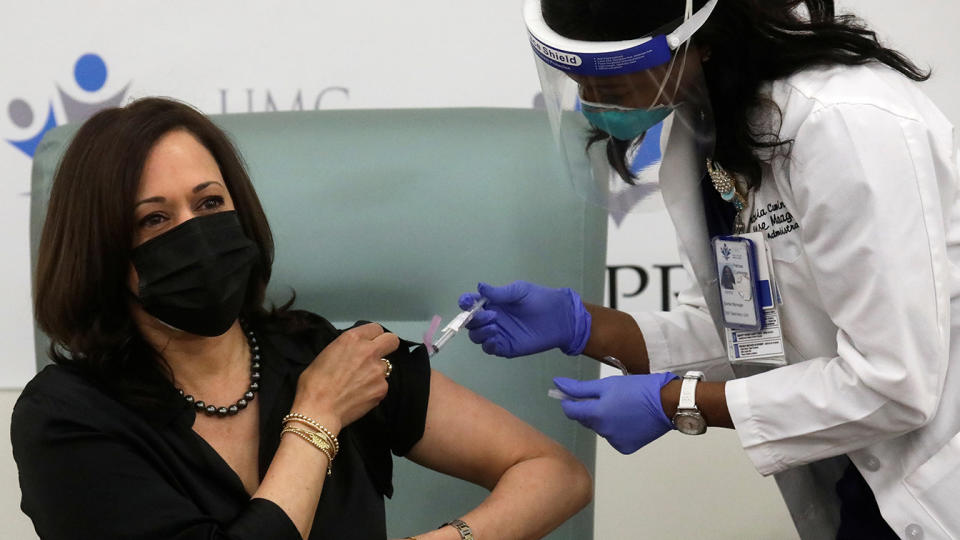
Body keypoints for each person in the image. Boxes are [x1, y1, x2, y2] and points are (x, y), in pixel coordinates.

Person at [459, 0, 960, 538]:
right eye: (576, 77)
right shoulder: (707, 129)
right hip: (862, 485)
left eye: (611, 74)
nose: (591, 100)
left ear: (702, 34)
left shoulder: (844, 123)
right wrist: (585, 326)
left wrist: (678, 403)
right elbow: (753, 334)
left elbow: (894, 384)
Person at [11, 97, 592, 540]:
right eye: (155, 220)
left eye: (210, 203)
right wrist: (316, 415)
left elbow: (554, 473)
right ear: (102, 252)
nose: (195, 234)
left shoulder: (325, 356)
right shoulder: (66, 419)